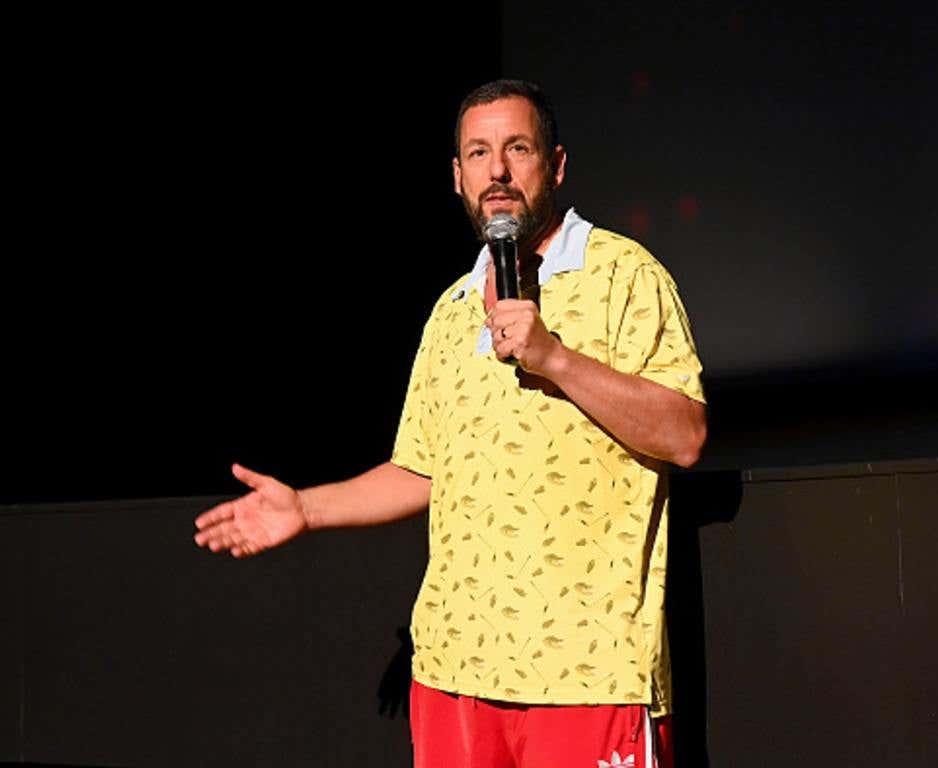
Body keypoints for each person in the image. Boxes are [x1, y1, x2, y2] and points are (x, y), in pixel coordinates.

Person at [194, 79, 706, 768]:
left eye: (516, 149)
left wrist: (551, 356)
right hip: (453, 676)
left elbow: (685, 434)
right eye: (477, 153)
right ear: (457, 176)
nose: (496, 170)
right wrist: (305, 509)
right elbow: (421, 467)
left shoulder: (623, 275)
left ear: (553, 165)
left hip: (588, 672)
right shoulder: (452, 307)